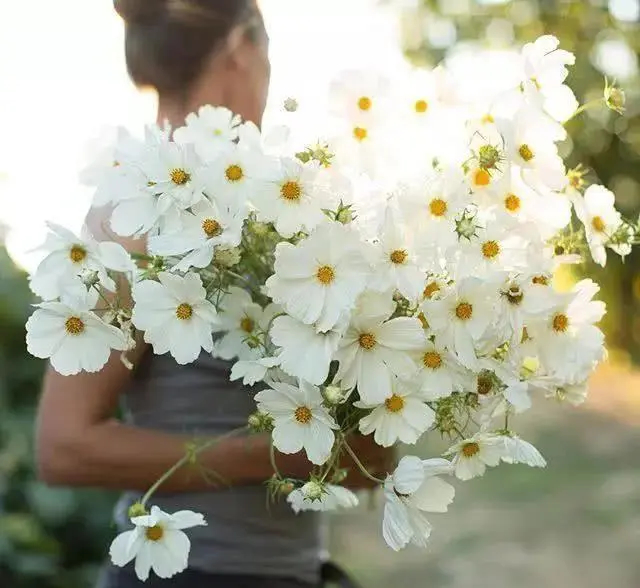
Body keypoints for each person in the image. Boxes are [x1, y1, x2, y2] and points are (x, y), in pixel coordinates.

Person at [35, 1, 393, 587]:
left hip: (290, 572)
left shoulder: (274, 206)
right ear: (240, 50)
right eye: (269, 58)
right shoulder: (137, 211)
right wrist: (288, 455)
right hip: (191, 574)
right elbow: (64, 446)